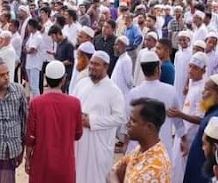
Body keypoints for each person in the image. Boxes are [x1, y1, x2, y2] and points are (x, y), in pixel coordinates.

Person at [72, 51, 126, 183]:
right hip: (80, 141)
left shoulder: (114, 91)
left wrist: (92, 121)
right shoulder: (82, 84)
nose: (92, 67)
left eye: (96, 64)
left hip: (100, 144)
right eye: (91, 63)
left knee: (97, 177)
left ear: (106, 67)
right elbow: (72, 106)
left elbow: (120, 118)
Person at [25, 60, 82, 183]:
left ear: (46, 78)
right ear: (64, 79)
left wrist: (28, 159)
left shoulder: (36, 103)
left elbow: (30, 138)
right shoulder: (75, 103)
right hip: (65, 165)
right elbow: (78, 134)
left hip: (41, 163)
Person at [123, 50, 184, 158]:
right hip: (162, 149)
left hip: (138, 148)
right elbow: (178, 120)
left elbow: (127, 121)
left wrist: (126, 143)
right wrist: (183, 139)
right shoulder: (171, 91)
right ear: (157, 69)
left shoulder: (134, 93)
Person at [108, 98, 171, 183]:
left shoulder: (155, 168)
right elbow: (112, 171)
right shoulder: (141, 149)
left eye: (133, 121)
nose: (127, 124)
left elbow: (112, 174)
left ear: (149, 127)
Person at [184, 73, 218, 183]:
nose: (203, 93)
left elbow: (215, 155)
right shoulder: (214, 111)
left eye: (206, 89)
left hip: (203, 174)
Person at [169, 52, 207, 183]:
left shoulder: (203, 90)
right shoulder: (192, 84)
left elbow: (201, 119)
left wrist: (180, 114)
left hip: (191, 137)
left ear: (203, 70)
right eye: (190, 66)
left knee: (183, 170)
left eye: (195, 68)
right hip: (183, 134)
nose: (191, 70)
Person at [48, 25, 75, 93]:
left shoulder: (68, 44)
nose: (52, 39)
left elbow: (70, 61)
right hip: (60, 73)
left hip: (67, 74)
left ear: (58, 34)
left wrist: (59, 64)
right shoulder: (59, 44)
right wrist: (54, 54)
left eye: (53, 37)